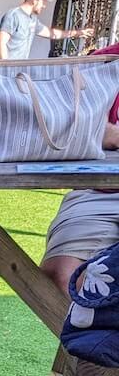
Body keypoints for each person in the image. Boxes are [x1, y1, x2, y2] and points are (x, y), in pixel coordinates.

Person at [41, 43, 119, 294]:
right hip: (100, 191)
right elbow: (62, 125)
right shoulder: (101, 62)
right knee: (63, 272)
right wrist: (97, 130)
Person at [0, 0, 92, 60]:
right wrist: (6, 68)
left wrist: (77, 33)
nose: (44, 6)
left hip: (18, 71)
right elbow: (1, 43)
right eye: (43, 2)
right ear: (35, 1)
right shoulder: (13, 15)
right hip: (5, 73)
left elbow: (52, 34)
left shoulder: (33, 20)